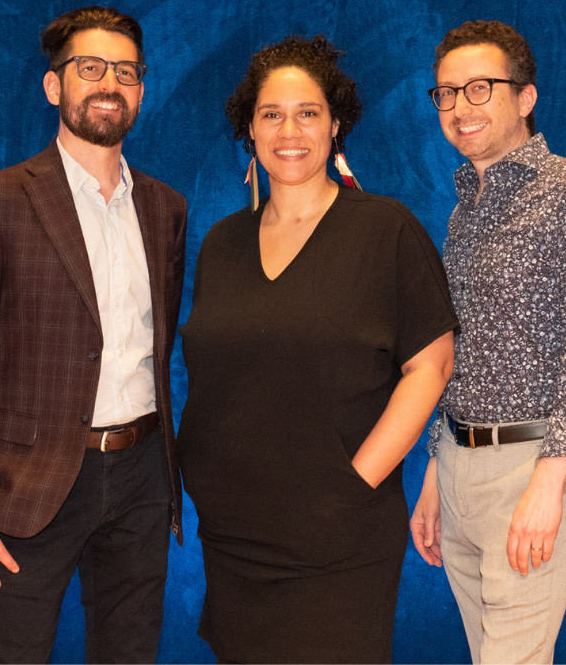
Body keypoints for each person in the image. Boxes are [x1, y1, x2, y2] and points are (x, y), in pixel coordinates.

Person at [178, 35, 458, 663]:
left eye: (307, 112)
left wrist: (354, 484)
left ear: (336, 125)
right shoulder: (222, 243)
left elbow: (431, 365)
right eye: (270, 113)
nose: (289, 130)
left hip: (340, 536)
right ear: (249, 129)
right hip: (233, 536)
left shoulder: (386, 230)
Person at [0, 5, 186, 664]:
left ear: (142, 88)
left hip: (142, 476)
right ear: (54, 86)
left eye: (125, 71)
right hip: (28, 481)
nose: (109, 83)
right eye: (90, 67)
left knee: (129, 653)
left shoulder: (165, 208)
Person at [409, 20, 566, 664]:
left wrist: (550, 483)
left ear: (526, 98)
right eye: (446, 93)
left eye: (480, 88)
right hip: (459, 463)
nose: (459, 108)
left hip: (533, 467)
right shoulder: (462, 210)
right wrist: (433, 471)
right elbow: (455, 352)